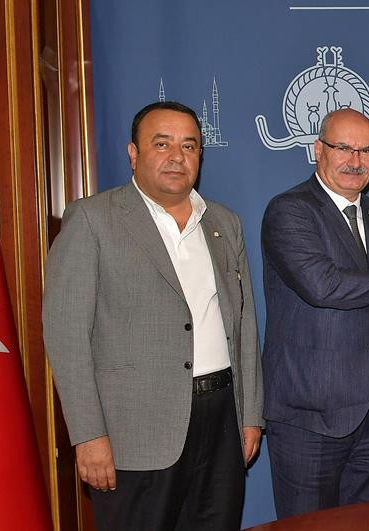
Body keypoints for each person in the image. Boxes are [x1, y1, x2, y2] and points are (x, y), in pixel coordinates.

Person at [43, 101, 263, 530]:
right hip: (135, 433)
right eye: (162, 144)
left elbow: (245, 324)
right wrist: (88, 435)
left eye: (189, 146)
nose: (177, 156)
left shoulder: (223, 222)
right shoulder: (92, 220)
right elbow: (66, 336)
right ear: (134, 153)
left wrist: (250, 414)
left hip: (222, 421)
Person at [261, 108, 369, 517]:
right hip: (309, 415)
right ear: (317, 149)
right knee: (310, 527)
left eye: (367, 151)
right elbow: (323, 285)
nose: (356, 161)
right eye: (344, 148)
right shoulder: (290, 210)